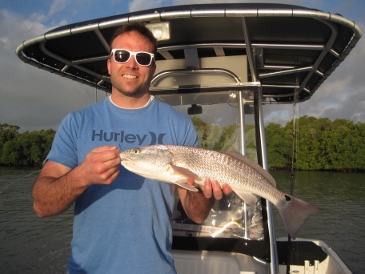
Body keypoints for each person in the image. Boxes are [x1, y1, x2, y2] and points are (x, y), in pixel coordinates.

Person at [32, 22, 232, 274]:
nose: (131, 64)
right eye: (122, 55)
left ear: (153, 67)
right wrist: (81, 176)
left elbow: (196, 215)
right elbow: (42, 205)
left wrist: (205, 191)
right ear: (109, 63)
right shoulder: (77, 122)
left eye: (143, 57)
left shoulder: (179, 125)